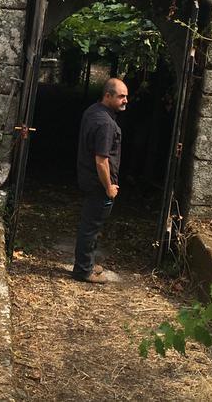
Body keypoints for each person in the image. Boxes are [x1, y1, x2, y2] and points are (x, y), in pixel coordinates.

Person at [72, 78, 127, 283]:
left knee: (90, 224)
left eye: (126, 96)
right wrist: (109, 187)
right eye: (121, 96)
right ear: (108, 96)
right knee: (91, 227)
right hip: (98, 184)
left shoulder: (93, 111)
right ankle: (83, 271)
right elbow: (101, 161)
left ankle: (87, 263)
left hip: (88, 178)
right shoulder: (105, 124)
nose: (125, 100)